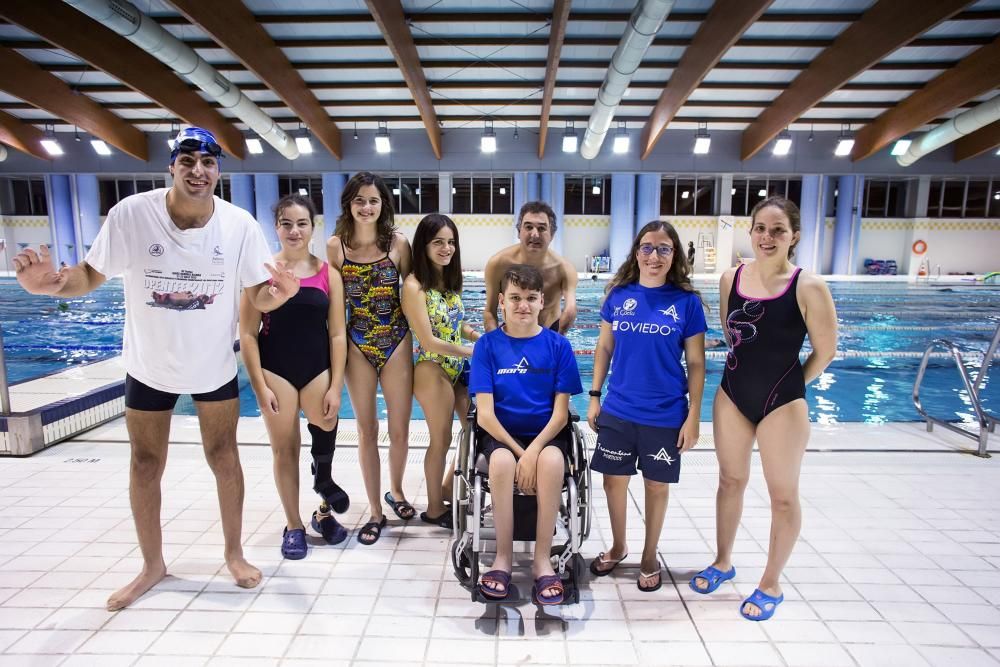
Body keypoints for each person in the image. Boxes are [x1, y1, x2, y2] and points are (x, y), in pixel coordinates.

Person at [12, 127, 299, 611]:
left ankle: (233, 554)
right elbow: (89, 275)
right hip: (148, 366)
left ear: (218, 171)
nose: (198, 171)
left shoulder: (238, 225)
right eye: (187, 161)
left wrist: (280, 295)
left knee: (224, 456)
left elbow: (257, 294)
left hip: (212, 366)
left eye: (208, 163)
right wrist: (50, 288)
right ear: (171, 167)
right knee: (145, 464)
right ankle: (152, 565)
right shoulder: (132, 215)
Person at [690, 196, 837, 621]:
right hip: (733, 394)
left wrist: (791, 388)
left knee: (783, 498)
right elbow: (730, 334)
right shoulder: (730, 278)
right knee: (729, 480)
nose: (767, 237)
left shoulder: (808, 286)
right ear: (750, 231)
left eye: (777, 230)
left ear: (793, 237)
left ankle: (770, 582)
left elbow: (825, 351)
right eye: (760, 228)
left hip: (783, 402)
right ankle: (723, 561)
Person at [587, 221, 706, 593]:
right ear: (637, 252)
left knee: (656, 487)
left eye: (664, 249)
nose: (654, 256)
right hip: (620, 409)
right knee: (613, 483)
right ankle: (620, 545)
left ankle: (650, 554)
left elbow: (698, 363)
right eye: (648, 248)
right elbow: (604, 348)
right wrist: (594, 395)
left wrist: (694, 417)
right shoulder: (618, 295)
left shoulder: (686, 303)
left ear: (675, 257)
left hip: (665, 414)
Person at [240, 194, 349, 558]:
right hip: (276, 371)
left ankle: (322, 512)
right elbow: (248, 334)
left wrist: (336, 385)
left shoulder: (327, 273)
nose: (294, 230)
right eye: (286, 223)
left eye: (301, 223)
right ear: (276, 227)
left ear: (312, 227)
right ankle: (293, 525)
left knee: (325, 447)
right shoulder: (260, 271)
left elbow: (337, 333)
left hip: (317, 369)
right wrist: (258, 386)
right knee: (284, 450)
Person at [469, 264, 583, 604]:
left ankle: (542, 561)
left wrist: (532, 452)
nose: (523, 305)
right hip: (501, 435)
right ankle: (502, 558)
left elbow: (560, 414)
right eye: (515, 298)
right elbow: (485, 416)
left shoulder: (558, 346)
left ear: (542, 301)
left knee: (550, 463)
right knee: (501, 464)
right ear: (501, 301)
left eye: (531, 298)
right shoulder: (487, 346)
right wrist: (521, 454)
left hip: (546, 435)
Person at [327, 171, 414, 545]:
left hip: (397, 341)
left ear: (383, 205)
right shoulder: (335, 247)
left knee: (399, 429)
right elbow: (332, 306)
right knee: (366, 430)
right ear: (349, 203)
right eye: (359, 200)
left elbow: (413, 295)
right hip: (357, 343)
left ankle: (396, 492)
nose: (366, 207)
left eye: (373, 200)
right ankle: (376, 510)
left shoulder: (398, 244)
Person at [401, 213, 479, 529]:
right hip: (431, 368)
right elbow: (429, 341)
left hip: (456, 367)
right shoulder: (414, 286)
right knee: (441, 439)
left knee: (474, 430)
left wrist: (478, 336)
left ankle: (448, 487)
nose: (446, 248)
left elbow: (454, 323)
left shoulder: (446, 283)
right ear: (424, 245)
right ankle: (434, 508)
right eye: (438, 242)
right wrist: (473, 351)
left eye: (450, 242)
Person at [483, 201, 577, 333]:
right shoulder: (498, 264)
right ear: (518, 231)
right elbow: (489, 312)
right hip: (512, 333)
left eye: (542, 228)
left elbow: (570, 311)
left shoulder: (563, 269)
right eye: (528, 227)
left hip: (550, 330)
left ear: (552, 234)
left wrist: (557, 341)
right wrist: (494, 343)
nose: (534, 234)